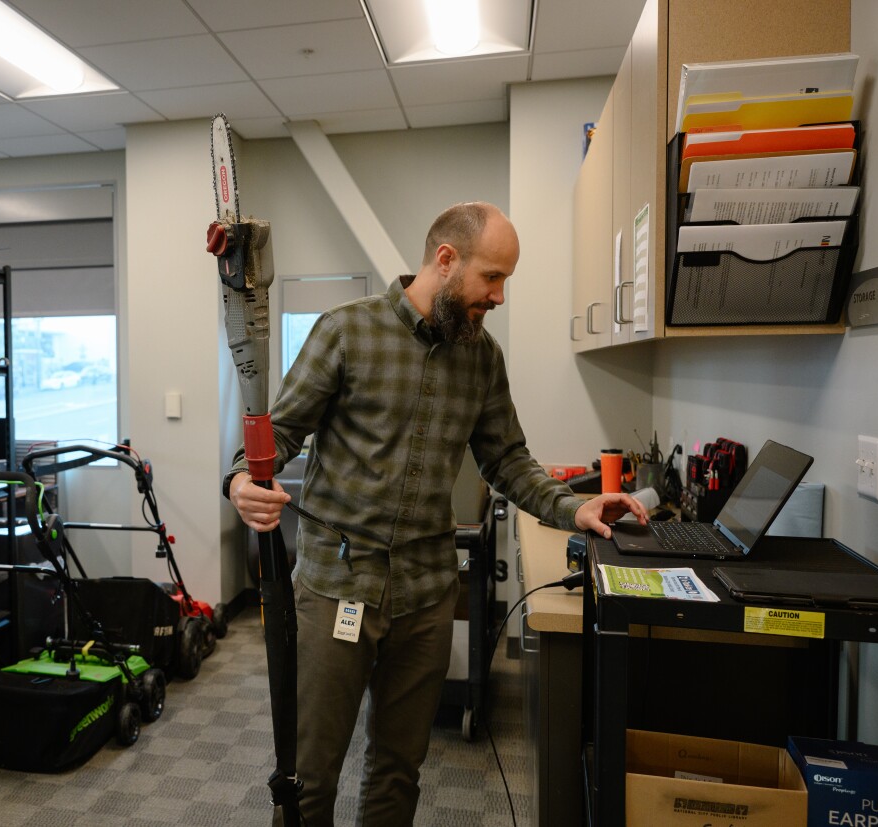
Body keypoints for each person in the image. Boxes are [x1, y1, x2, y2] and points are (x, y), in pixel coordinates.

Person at [224, 201, 647, 826]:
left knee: (398, 771)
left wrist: (575, 507)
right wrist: (240, 479)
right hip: (337, 587)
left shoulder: (482, 357)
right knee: (309, 776)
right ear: (446, 260)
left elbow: (507, 459)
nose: (499, 296)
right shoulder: (345, 331)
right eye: (492, 277)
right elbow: (279, 431)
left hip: (425, 594)